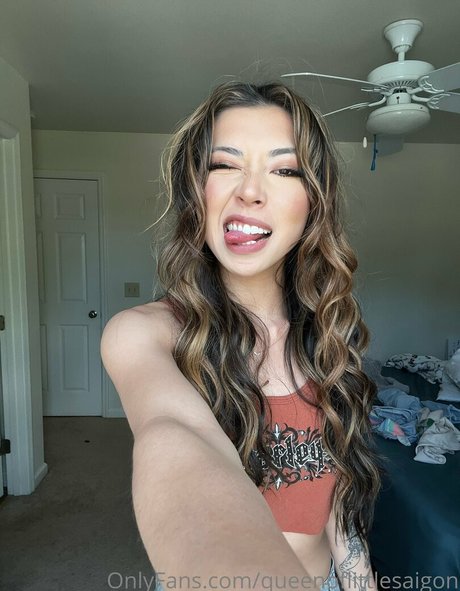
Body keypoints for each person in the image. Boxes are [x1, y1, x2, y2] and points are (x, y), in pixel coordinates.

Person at [101, 81, 381, 591]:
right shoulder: (143, 334)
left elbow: (339, 503)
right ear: (196, 191)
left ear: (313, 204)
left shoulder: (328, 335)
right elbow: (174, 437)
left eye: (285, 169)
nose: (250, 190)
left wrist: (360, 582)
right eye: (224, 165)